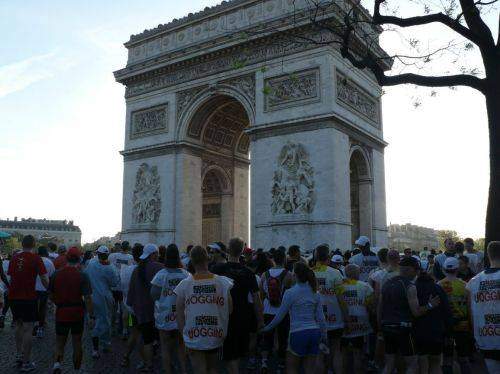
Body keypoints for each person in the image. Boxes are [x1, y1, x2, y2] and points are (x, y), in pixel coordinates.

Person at [175, 246, 233, 374]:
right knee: (213, 368)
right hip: (215, 333)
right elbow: (230, 309)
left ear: (191, 261)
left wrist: (183, 336)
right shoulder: (223, 282)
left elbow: (179, 314)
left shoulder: (184, 285)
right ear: (208, 258)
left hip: (193, 334)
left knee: (199, 369)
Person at [378, 256, 441, 374]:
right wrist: (430, 305)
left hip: (386, 326)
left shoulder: (386, 283)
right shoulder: (410, 286)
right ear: (410, 270)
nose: (417, 274)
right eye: (416, 271)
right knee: (412, 364)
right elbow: (416, 312)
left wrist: (380, 327)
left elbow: (379, 308)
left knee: (389, 363)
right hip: (403, 328)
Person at [261, 262, 326, 374]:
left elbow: (279, 316)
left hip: (298, 332)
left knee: (292, 368)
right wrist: (324, 335)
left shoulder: (290, 293)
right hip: (314, 332)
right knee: (310, 369)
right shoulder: (315, 292)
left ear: (295, 275)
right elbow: (321, 317)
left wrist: (265, 328)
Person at [212, 237, 264, 374]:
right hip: (243, 317)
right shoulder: (248, 273)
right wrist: (260, 320)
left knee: (223, 358)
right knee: (235, 356)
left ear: (228, 250)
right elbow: (256, 298)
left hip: (222, 317)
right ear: (242, 251)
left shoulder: (217, 270)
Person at [49, 247, 94, 374]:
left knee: (59, 342)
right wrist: (91, 316)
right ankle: (77, 369)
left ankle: (57, 364)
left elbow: (51, 295)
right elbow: (88, 298)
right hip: (77, 313)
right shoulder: (83, 275)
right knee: (77, 342)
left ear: (67, 258)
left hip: (61, 312)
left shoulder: (56, 274)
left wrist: (57, 303)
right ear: (79, 259)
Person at [8, 235, 48, 372]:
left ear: (22, 243)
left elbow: (11, 276)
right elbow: (44, 278)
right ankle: (26, 362)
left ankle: (19, 355)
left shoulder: (13, 258)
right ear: (34, 244)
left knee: (18, 326)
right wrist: (50, 289)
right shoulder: (36, 258)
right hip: (28, 297)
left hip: (14, 297)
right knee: (28, 329)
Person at [151, 244, 189, 374]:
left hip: (165, 315)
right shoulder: (186, 274)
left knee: (165, 348)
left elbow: (154, 295)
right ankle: (184, 370)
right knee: (181, 346)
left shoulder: (161, 275)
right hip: (181, 316)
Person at [127, 243, 164, 372]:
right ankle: (149, 365)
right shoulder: (159, 267)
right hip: (152, 310)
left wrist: (129, 306)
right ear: (153, 255)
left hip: (136, 310)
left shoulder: (137, 269)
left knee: (138, 336)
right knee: (149, 339)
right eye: (157, 254)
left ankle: (137, 360)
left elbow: (131, 290)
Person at [466, 241, 500, 374]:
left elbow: (471, 312)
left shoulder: (473, 282)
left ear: (487, 255)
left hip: (486, 338)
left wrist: (475, 335)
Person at [260, 248, 294, 372]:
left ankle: (264, 362)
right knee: (282, 337)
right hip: (283, 311)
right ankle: (280, 363)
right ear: (284, 259)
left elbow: (261, 294)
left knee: (267, 337)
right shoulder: (288, 275)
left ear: (273, 259)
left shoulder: (265, 274)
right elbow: (291, 294)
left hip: (267, 311)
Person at [414, 264, 452, 374]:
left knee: (422, 362)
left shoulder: (413, 288)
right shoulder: (438, 288)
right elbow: (447, 312)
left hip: (419, 331)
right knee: (435, 363)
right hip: (437, 330)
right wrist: (449, 333)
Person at [437, 257, 473, 374]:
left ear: (444, 269)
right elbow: (469, 308)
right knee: (463, 358)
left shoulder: (438, 285)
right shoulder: (465, 285)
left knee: (447, 359)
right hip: (462, 325)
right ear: (457, 269)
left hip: (445, 326)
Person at [336, 264, 374, 374]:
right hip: (360, 324)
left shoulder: (339, 287)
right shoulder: (365, 286)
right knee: (358, 354)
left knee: (343, 354)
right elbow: (371, 305)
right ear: (357, 273)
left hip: (343, 323)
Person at [312, 244, 344, 374]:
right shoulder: (336, 273)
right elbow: (341, 298)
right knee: (336, 351)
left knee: (319, 352)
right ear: (329, 257)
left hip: (316, 318)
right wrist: (346, 317)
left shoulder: (310, 273)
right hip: (334, 317)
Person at [85, 245, 119, 358]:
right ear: (107, 255)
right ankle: (105, 344)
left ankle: (95, 349)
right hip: (104, 297)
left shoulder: (91, 264)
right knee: (104, 321)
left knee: (94, 320)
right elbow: (114, 283)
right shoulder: (110, 268)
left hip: (91, 296)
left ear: (97, 253)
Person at [120, 243, 146, 368]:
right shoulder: (145, 270)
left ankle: (126, 356)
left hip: (129, 309)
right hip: (142, 310)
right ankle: (144, 360)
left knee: (133, 331)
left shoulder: (125, 270)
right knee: (141, 335)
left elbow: (123, 289)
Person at [108, 240, 134, 338]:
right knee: (124, 309)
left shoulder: (113, 256)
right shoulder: (130, 258)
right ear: (128, 248)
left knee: (113, 309)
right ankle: (125, 330)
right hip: (124, 286)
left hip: (114, 286)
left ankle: (112, 328)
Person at [34, 246, 55, 338]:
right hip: (44, 289)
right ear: (46, 253)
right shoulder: (49, 262)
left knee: (33, 308)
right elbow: (51, 277)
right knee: (42, 309)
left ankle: (33, 325)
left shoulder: (34, 261)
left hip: (33, 289)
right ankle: (40, 329)